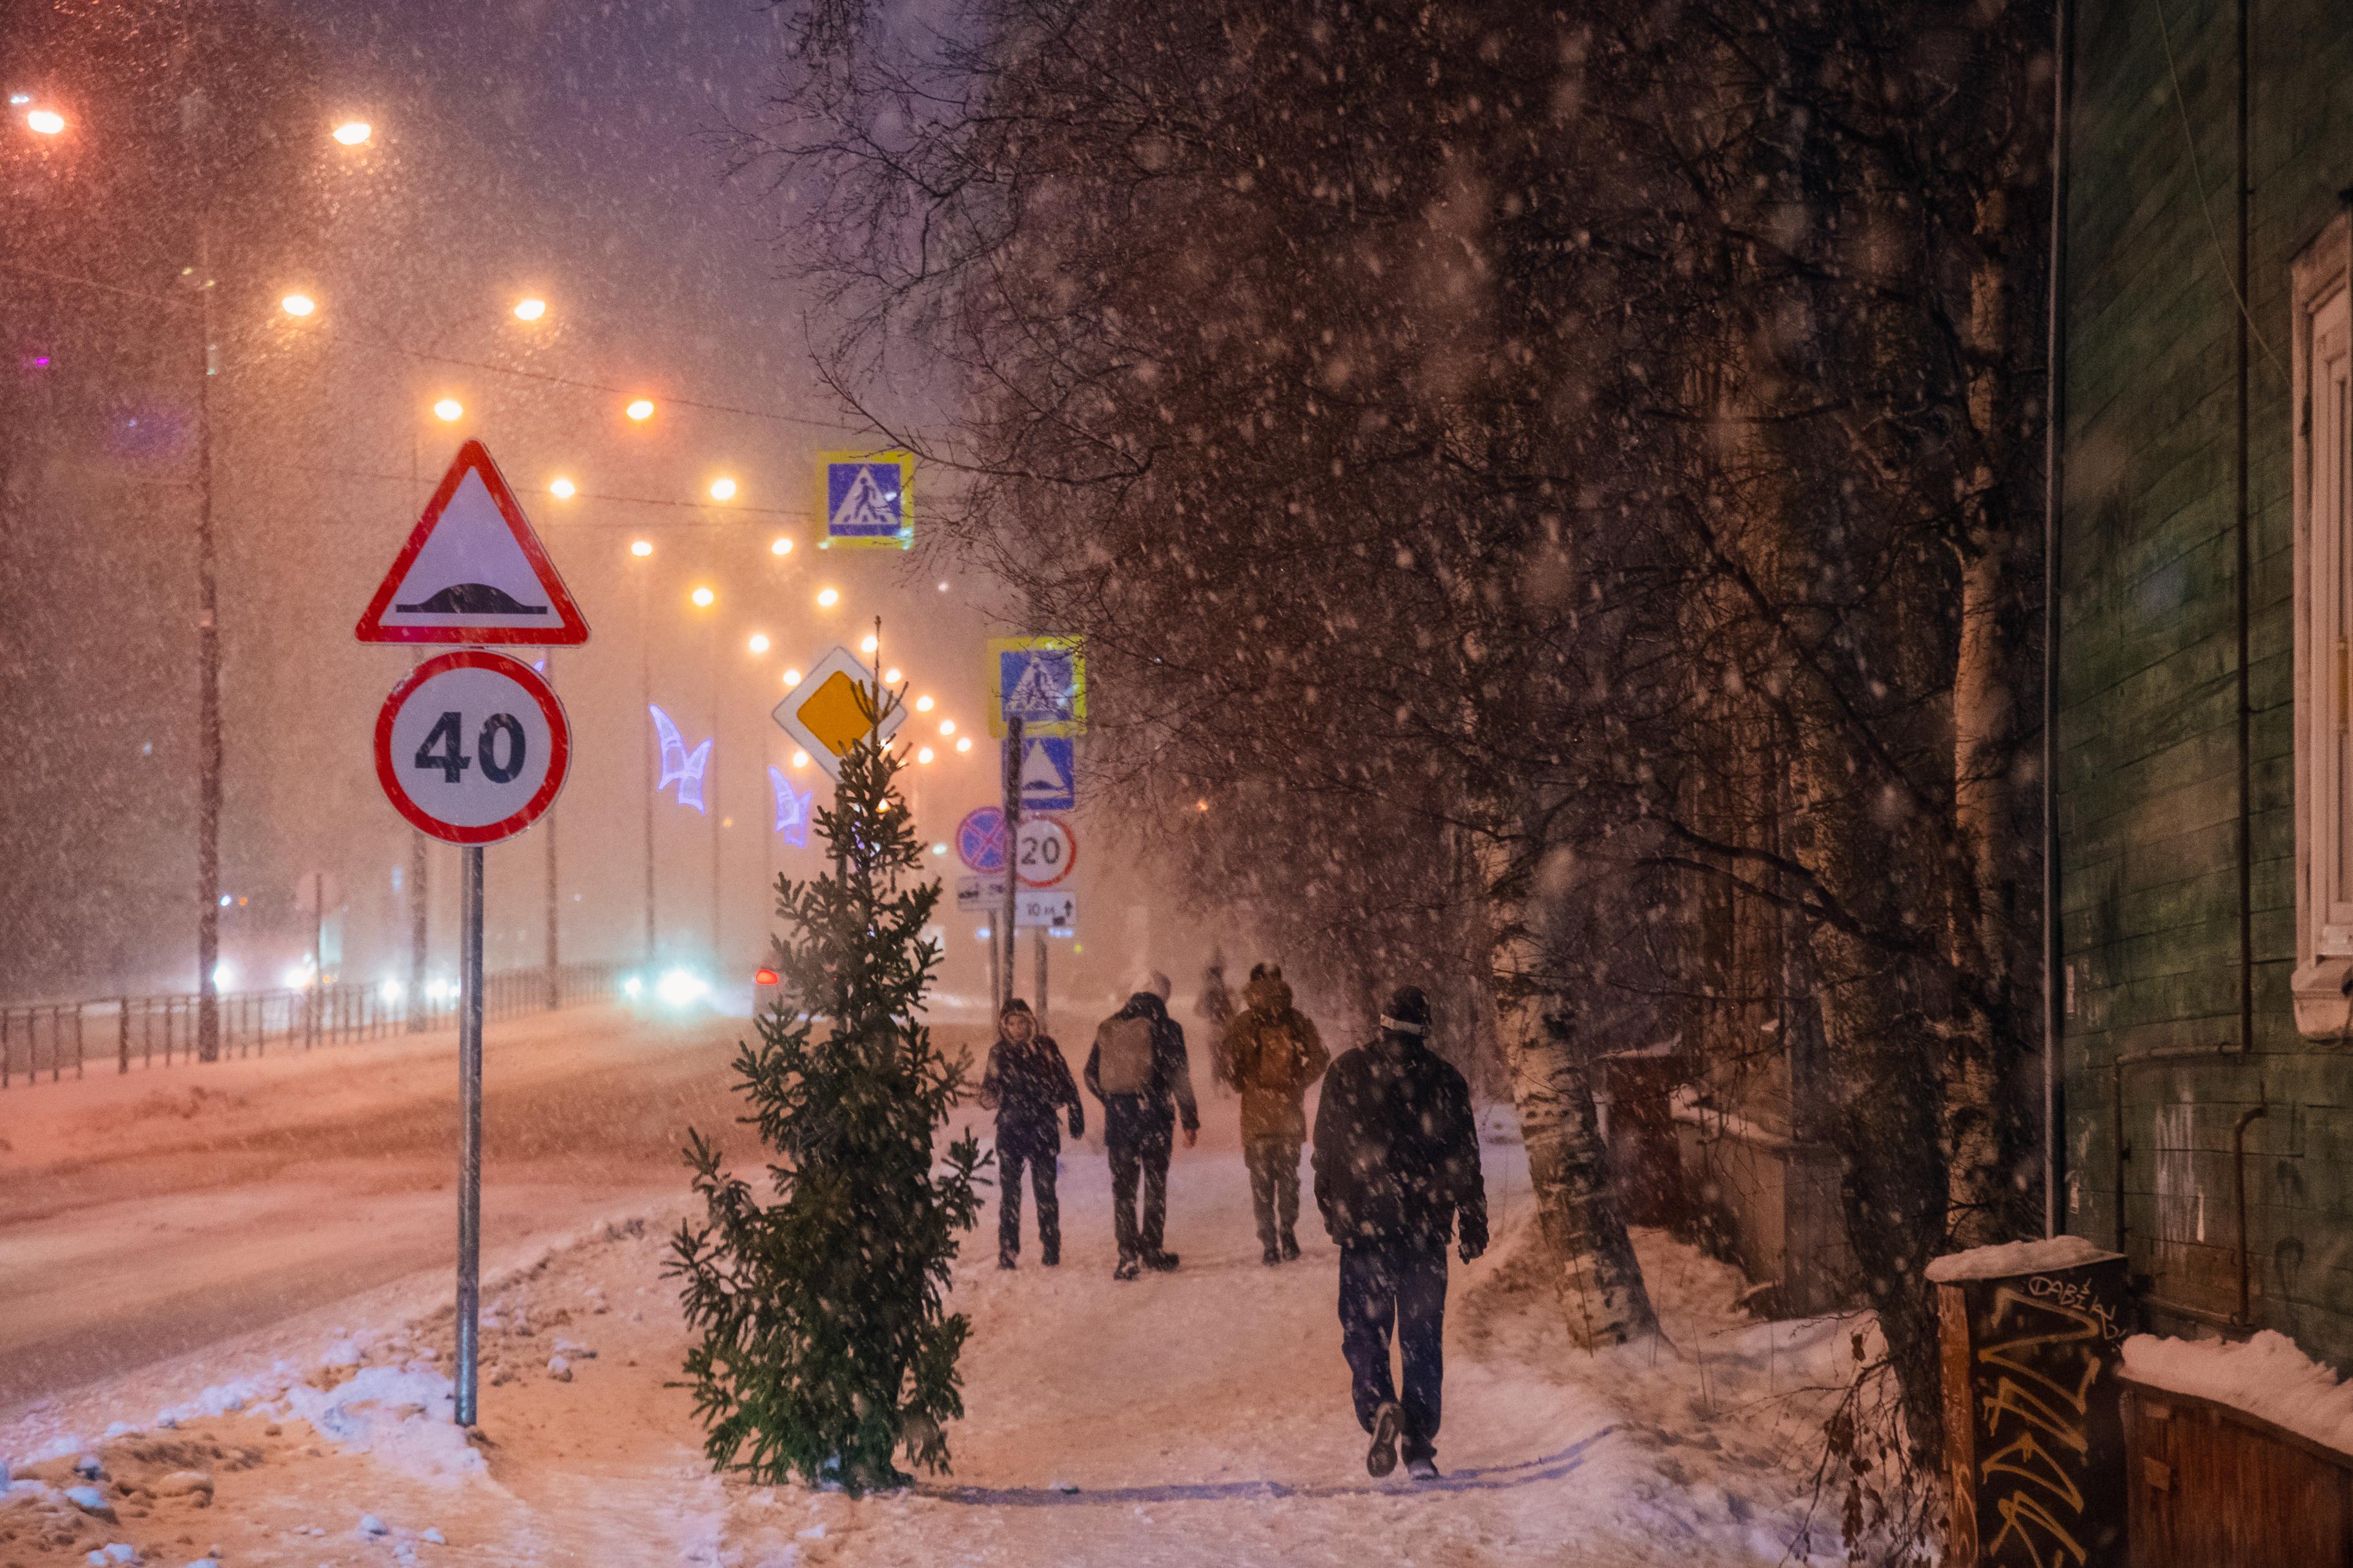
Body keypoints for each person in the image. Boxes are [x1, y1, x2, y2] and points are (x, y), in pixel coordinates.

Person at [1311, 986, 1486, 1481]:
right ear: (1425, 1030)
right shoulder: (1446, 1080)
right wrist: (1472, 1218)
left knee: (1365, 1330)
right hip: (1425, 1230)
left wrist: (1333, 1207)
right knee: (1421, 1335)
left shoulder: (1347, 1071)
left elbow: (1325, 1148)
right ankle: (1419, 1443)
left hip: (1365, 1229)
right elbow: (1465, 1158)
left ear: (1381, 1024)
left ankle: (1378, 1407)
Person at [1085, 971, 1200, 1280]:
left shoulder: (1110, 1025)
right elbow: (1180, 1079)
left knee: (1123, 1190)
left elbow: (1090, 1075)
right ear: (1164, 996)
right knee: (1154, 1185)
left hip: (1120, 1120)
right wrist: (1189, 1119)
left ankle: (1126, 1255)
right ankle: (1152, 1249)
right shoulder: (1169, 1029)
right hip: (1155, 1119)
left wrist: (1114, 1101)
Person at [1216, 963, 1330, 1265]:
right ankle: (1288, 1234)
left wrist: (1243, 1083)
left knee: (1262, 1181)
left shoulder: (1244, 1023)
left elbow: (1228, 1063)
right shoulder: (1295, 1020)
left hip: (1256, 1116)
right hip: (1289, 1113)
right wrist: (1298, 1082)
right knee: (1288, 1178)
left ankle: (1269, 1243)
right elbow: (1321, 1056)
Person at [977, 997, 1084, 1269]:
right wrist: (991, 1096)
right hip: (1011, 1130)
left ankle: (1051, 1248)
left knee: (1045, 1191)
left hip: (1042, 1129)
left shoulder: (1046, 1048)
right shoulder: (998, 1053)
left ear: (1030, 1022)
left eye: (1022, 1022)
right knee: (1010, 1195)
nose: (1017, 1029)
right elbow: (988, 1091)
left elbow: (1066, 1084)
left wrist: (1070, 1109)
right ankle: (1008, 1251)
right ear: (1004, 1026)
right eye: (1011, 1023)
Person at [1197, 953, 1237, 1099]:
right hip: (1226, 1027)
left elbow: (1197, 1010)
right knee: (1226, 1057)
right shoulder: (1227, 988)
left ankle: (1216, 1086)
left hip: (1212, 1028)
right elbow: (1233, 1007)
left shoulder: (1206, 990)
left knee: (1215, 1057)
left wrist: (1209, 1014)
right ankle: (1226, 1086)